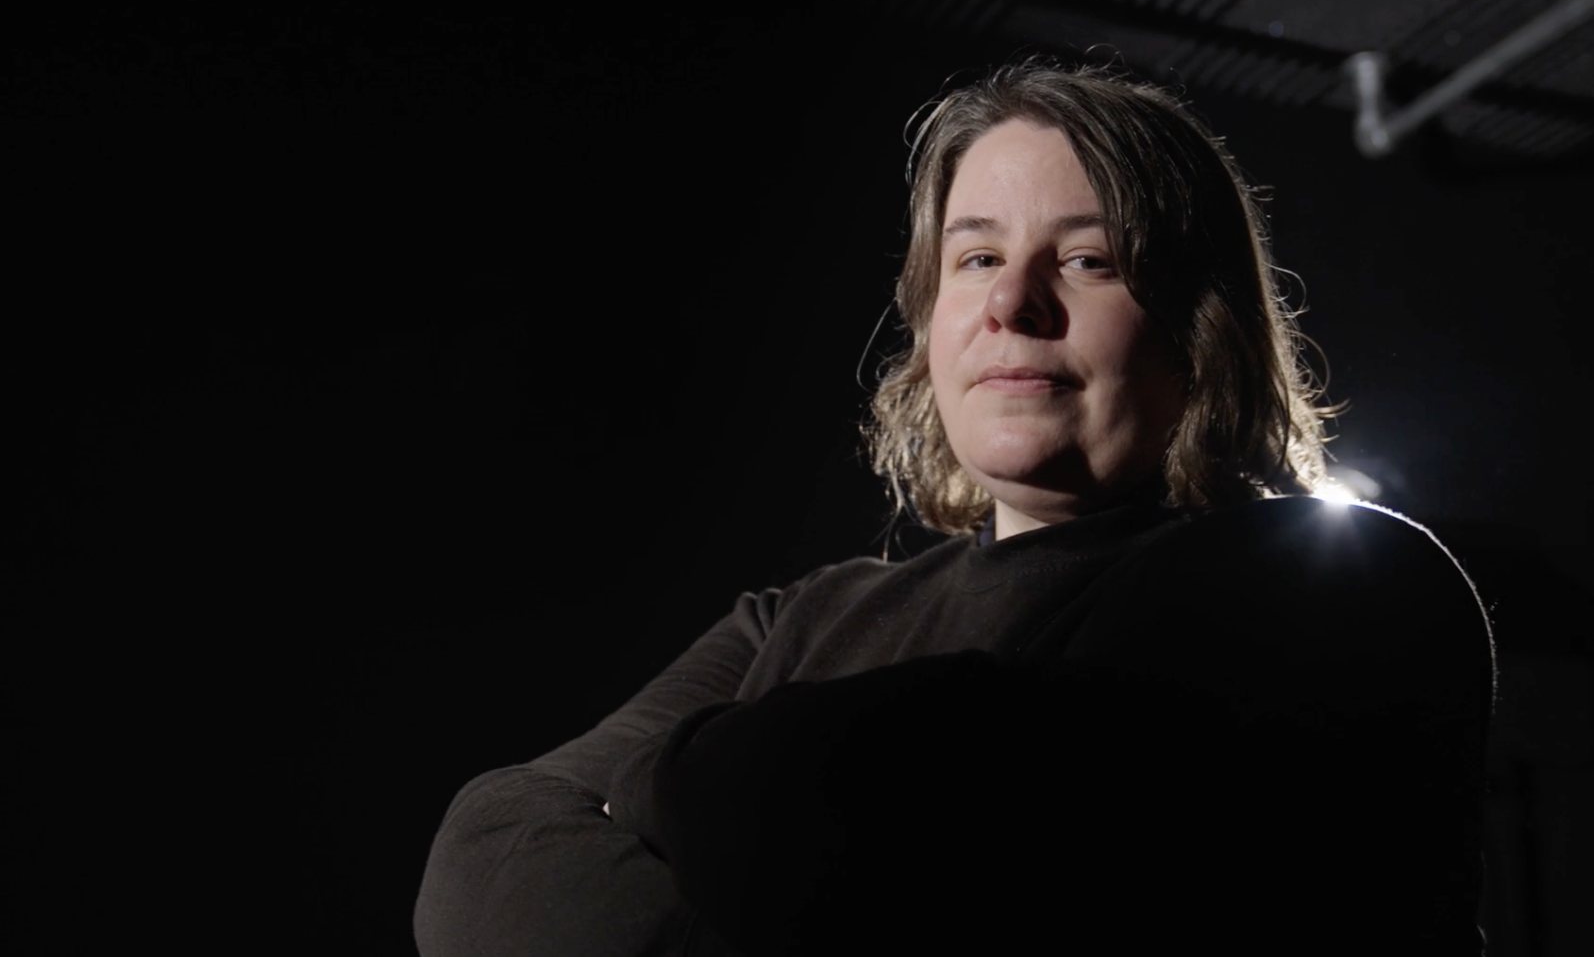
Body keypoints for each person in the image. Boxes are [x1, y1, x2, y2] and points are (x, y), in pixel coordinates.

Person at [414, 60, 1496, 956]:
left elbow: (903, 818)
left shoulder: (1339, 588)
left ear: (1198, 326)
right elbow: (483, 858)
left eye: (1086, 259)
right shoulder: (796, 619)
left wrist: (661, 777)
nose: (1011, 304)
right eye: (976, 256)